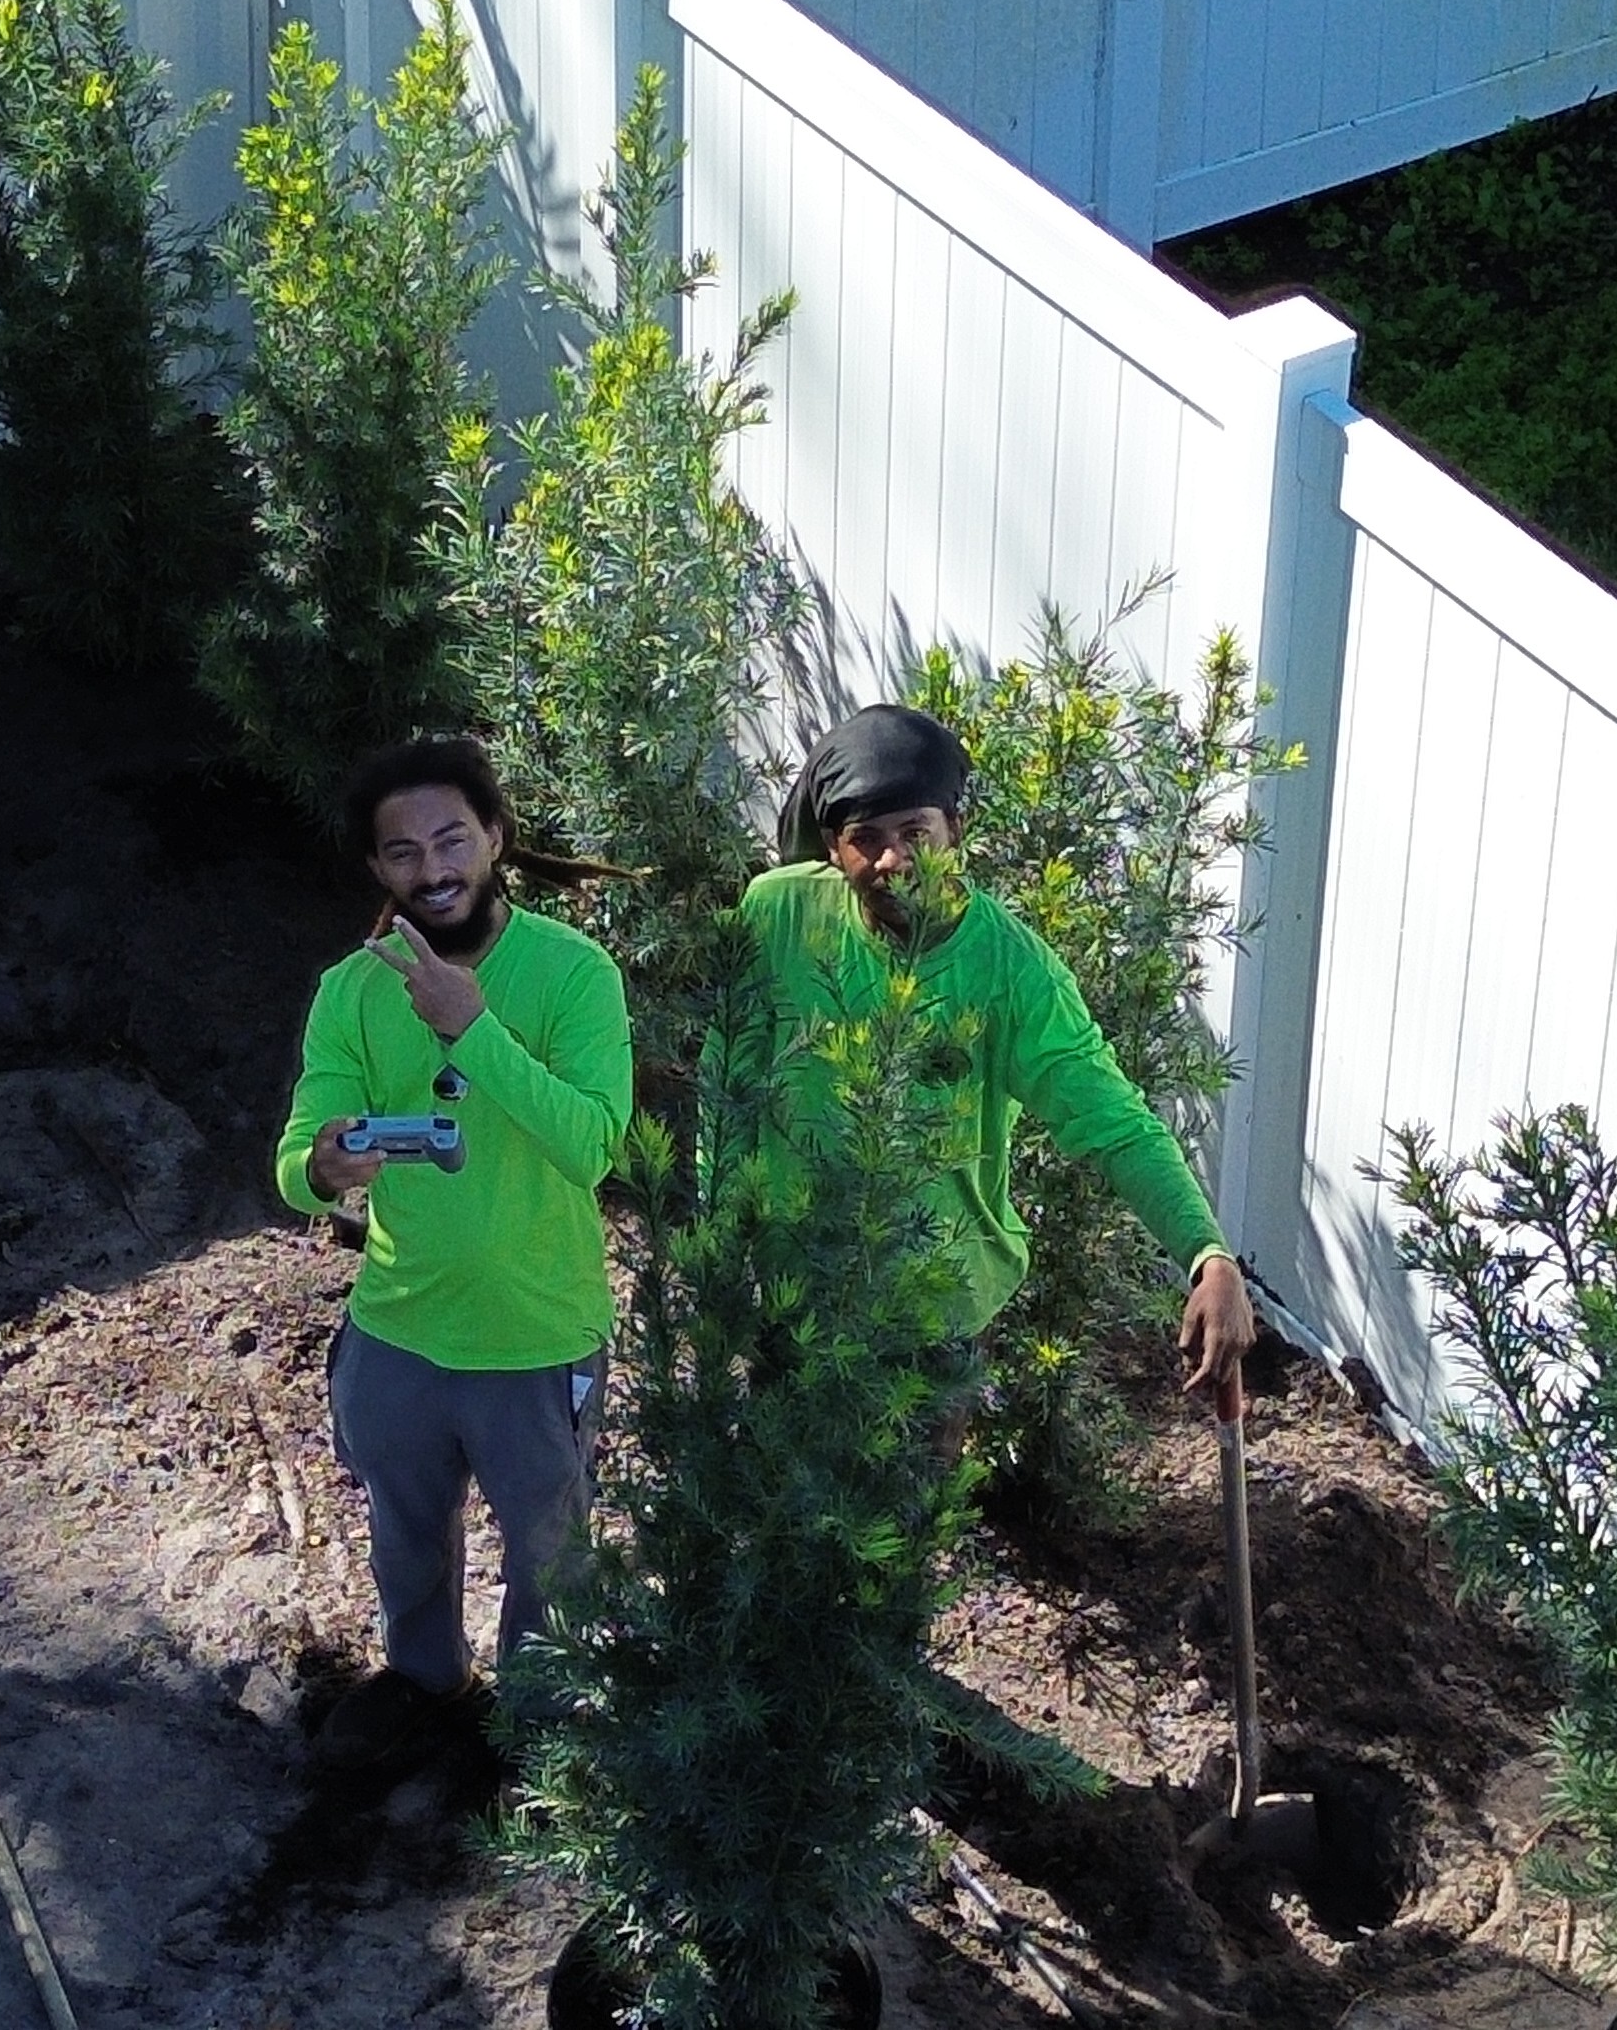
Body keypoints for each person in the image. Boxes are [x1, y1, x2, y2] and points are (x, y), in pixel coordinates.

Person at [273, 736, 635, 1773]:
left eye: (450, 838)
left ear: (496, 838)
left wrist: (471, 1029)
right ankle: (426, 1676)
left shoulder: (572, 974)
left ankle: (537, 1709)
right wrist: (324, 1170)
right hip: (400, 1327)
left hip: (534, 1333)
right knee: (403, 1528)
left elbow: (588, 1144)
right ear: (377, 870)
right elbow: (302, 1144)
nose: (431, 870)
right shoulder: (352, 988)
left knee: (549, 1551)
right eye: (401, 853)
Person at [736, 703, 1259, 1419]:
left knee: (901, 1524)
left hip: (931, 1315)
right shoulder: (779, 915)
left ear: (956, 833)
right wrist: (720, 1238)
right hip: (794, 1293)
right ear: (834, 848)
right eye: (867, 839)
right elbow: (728, 1077)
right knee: (777, 1520)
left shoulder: (1014, 974)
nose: (893, 860)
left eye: (915, 831)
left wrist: (1209, 1255)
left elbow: (1113, 1122)